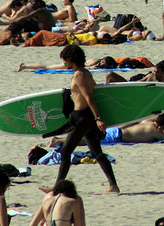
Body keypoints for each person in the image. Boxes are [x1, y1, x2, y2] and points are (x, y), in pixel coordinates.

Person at [47, 45, 119, 193]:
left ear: (70, 59)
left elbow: (89, 97)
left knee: (66, 151)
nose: (64, 63)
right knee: (97, 152)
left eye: (65, 60)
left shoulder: (79, 75)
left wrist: (98, 118)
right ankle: (113, 185)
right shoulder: (86, 73)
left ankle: (57, 186)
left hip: (81, 118)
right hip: (86, 117)